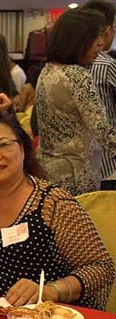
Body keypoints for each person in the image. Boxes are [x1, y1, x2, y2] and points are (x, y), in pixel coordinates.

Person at [0, 105, 115, 310]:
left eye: (3, 145)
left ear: (23, 149)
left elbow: (101, 268)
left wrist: (49, 291)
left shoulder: (53, 204)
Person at [35, 8, 116, 196]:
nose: (101, 44)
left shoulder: (48, 70)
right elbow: (103, 131)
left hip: (50, 169)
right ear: (76, 41)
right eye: (95, 38)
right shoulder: (77, 75)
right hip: (77, 173)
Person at [82, 0, 116, 187]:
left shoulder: (57, 66)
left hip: (80, 166)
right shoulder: (106, 64)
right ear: (109, 29)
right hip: (109, 165)